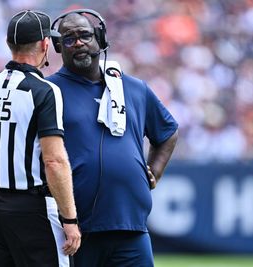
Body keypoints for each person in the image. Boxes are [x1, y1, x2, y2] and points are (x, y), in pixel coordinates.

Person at [47, 9, 178, 267]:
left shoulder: (134, 88)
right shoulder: (49, 91)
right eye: (69, 39)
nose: (79, 43)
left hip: (131, 225)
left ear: (100, 38)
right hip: (75, 229)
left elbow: (168, 132)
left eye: (84, 35)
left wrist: (154, 171)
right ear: (58, 47)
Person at [0, 10, 81, 267]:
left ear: (8, 44)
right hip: (34, 209)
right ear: (44, 44)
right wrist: (70, 220)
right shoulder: (45, 91)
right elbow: (54, 161)